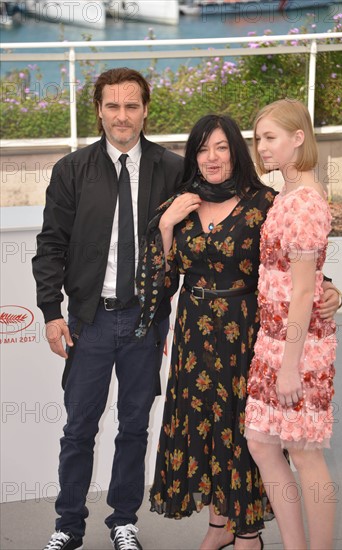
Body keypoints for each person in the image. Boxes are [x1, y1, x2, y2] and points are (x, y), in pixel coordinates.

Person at [135, 114, 340, 550]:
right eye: (203, 148)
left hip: (247, 331)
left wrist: (331, 291)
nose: (212, 157)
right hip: (194, 333)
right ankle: (219, 525)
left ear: (236, 152)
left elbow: (295, 264)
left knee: (244, 435)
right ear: (193, 155)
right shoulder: (180, 203)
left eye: (222, 147)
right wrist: (167, 226)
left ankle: (248, 531)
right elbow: (158, 281)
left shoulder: (265, 200)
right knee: (208, 429)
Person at [32, 67, 184, 550]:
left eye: (132, 105)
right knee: (79, 428)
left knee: (135, 426)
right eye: (113, 106)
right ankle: (67, 526)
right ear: (99, 110)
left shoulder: (172, 169)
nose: (123, 116)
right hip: (89, 321)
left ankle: (124, 521)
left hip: (145, 320)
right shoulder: (71, 170)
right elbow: (51, 244)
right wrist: (51, 311)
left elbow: (210, 231)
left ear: (145, 110)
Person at [245, 99, 338, 550]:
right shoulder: (286, 196)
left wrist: (289, 364)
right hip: (272, 339)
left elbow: (303, 291)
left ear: (298, 138)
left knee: (304, 450)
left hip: (296, 347)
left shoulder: (303, 204)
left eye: (270, 137)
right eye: (259, 137)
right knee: (262, 442)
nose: (261, 147)